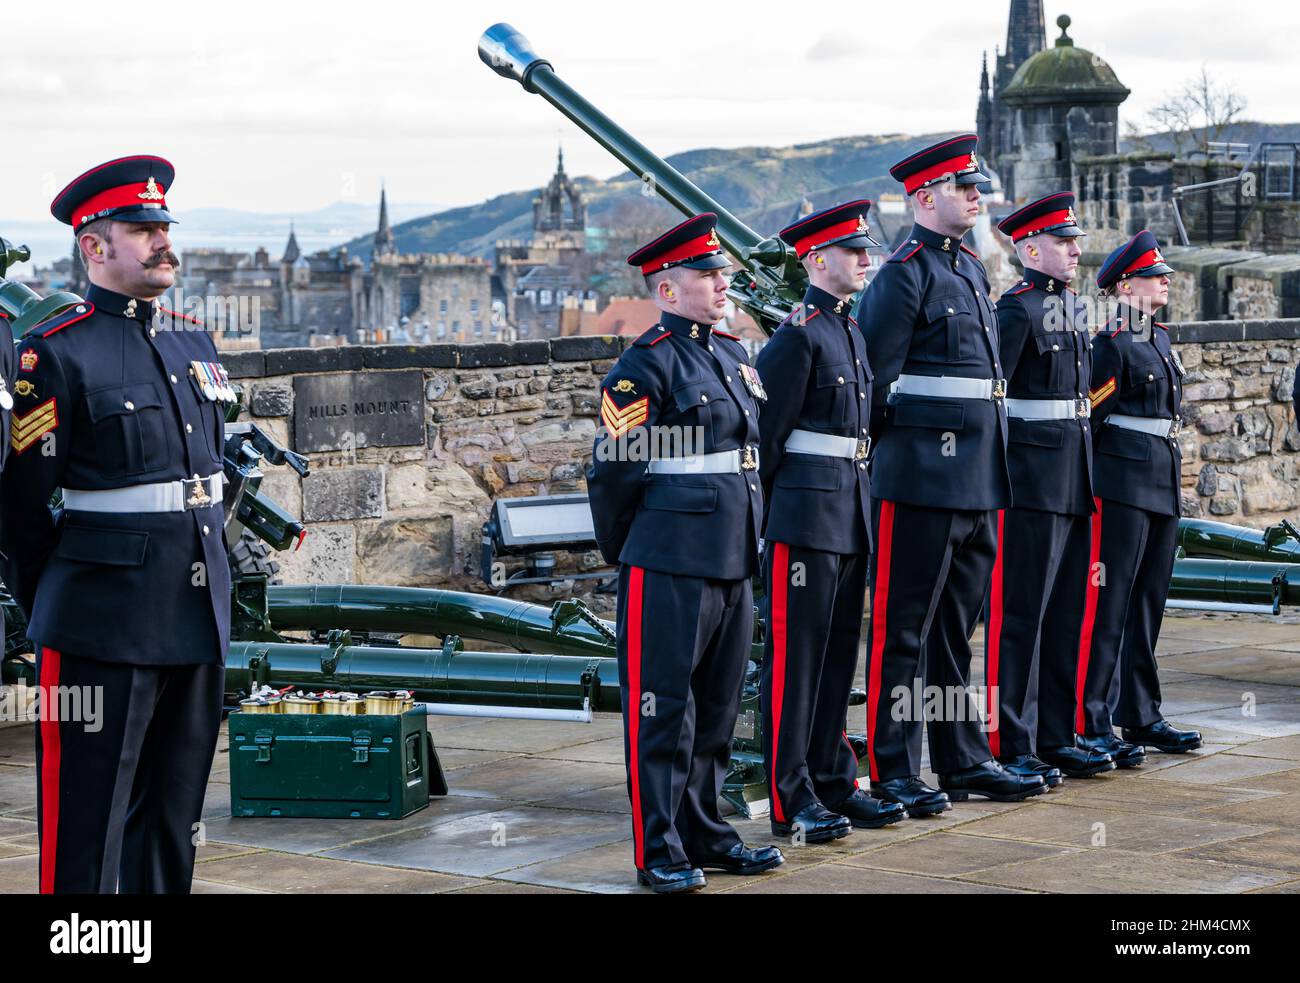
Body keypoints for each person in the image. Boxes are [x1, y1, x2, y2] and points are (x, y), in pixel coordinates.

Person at [2, 156, 233, 893]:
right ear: (94, 247)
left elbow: (210, 483)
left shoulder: (193, 343)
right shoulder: (56, 352)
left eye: (164, 227)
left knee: (172, 822)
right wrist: (58, 608)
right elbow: (19, 508)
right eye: (141, 229)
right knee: (85, 830)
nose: (162, 242)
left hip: (195, 619)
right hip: (99, 621)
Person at [586, 213, 784, 893]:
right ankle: (661, 847)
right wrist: (630, 550)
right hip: (669, 559)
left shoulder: (732, 354)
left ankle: (707, 830)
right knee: (662, 709)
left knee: (718, 709)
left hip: (733, 556)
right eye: (708, 273)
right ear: (667, 289)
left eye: (721, 270)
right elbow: (615, 470)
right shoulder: (642, 368)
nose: (723, 281)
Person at [854, 134, 1046, 813]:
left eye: (976, 185)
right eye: (962, 186)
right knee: (902, 629)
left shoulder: (967, 267)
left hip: (975, 481)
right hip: (919, 482)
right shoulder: (901, 275)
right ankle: (892, 765)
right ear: (923, 197)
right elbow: (869, 389)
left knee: (953, 632)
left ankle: (962, 759)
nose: (976, 194)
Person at [756, 201, 906, 842]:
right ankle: (792, 797)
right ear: (817, 260)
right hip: (804, 516)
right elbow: (764, 443)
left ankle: (835, 784)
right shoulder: (796, 335)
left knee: (837, 657)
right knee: (798, 662)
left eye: (866, 249)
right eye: (853, 251)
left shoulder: (847, 330)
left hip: (850, 510)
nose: (866, 260)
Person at [986, 193, 1116, 782]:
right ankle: (1011, 739)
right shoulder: (1014, 311)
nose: (1075, 251)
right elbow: (997, 401)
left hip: (1073, 477)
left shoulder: (1073, 310)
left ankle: (1057, 733)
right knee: (1021, 616)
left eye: (1074, 241)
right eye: (1064, 243)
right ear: (1030, 248)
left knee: (1066, 611)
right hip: (1030, 484)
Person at [1078, 229, 1203, 760]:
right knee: (1110, 604)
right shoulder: (1110, 343)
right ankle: (1094, 719)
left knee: (1148, 603)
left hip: (1160, 482)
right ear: (1127, 287)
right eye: (1155, 276)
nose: (1165, 282)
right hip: (1121, 484)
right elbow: (1092, 417)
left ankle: (1142, 715)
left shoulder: (1159, 337)